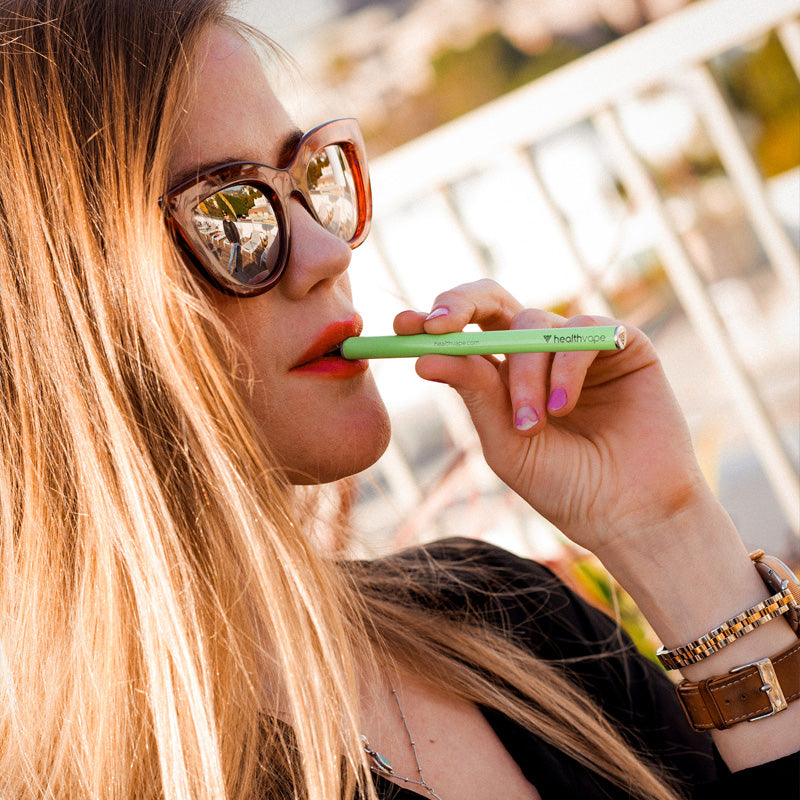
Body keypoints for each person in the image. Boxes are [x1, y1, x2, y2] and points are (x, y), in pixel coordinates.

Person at [0, 2, 797, 799]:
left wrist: (670, 534)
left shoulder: (504, 616)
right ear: (61, 327)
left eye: (311, 176)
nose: (325, 250)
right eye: (230, 212)